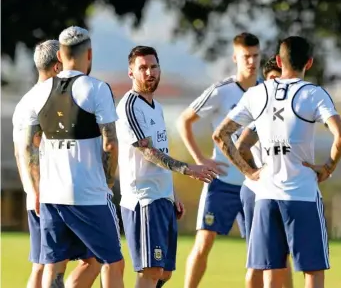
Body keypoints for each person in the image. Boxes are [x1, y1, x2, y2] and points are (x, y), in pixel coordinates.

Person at [213, 36, 341, 288]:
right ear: (309, 63)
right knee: (313, 271)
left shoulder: (257, 93)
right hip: (303, 195)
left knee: (271, 272)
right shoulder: (313, 93)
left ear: (277, 60)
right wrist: (328, 166)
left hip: (266, 197)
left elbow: (221, 135)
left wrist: (250, 172)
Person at [20, 26, 124, 288]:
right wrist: (108, 183)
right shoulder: (97, 89)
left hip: (51, 196)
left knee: (54, 266)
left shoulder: (38, 94)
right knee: (112, 261)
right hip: (89, 195)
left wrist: (36, 189)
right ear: (88, 54)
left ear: (61, 55)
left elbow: (28, 147)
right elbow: (110, 143)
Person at [115, 45, 217, 288]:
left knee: (164, 273)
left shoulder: (156, 107)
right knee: (151, 271)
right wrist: (187, 169)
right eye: (142, 68)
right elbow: (148, 152)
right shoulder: (129, 107)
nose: (149, 72)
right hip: (144, 199)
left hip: (162, 197)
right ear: (131, 73)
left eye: (153, 67)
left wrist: (172, 194)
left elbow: (162, 151)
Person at [178, 32, 261, 288]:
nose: (252, 61)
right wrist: (200, 159)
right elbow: (184, 121)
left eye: (256, 56)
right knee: (203, 244)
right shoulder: (221, 91)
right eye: (246, 56)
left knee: (261, 255)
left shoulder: (266, 92)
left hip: (255, 185)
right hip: (222, 183)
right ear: (235, 57)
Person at [12, 40, 71, 288]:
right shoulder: (46, 100)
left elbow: (19, 154)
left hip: (37, 194)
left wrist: (30, 189)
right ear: (58, 65)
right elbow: (29, 148)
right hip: (49, 196)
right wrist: (37, 190)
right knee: (55, 265)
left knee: (41, 265)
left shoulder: (24, 101)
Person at [235, 55, 293, 288]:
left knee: (282, 259)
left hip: (283, 191)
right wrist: (252, 172)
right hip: (258, 193)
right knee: (260, 262)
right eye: (272, 79)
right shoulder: (262, 113)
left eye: (281, 80)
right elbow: (237, 144)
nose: (277, 85)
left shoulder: (291, 113)